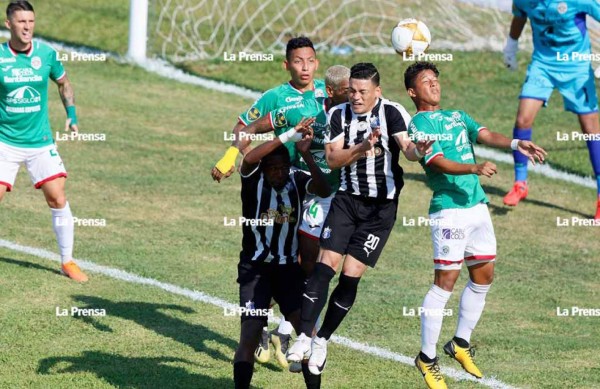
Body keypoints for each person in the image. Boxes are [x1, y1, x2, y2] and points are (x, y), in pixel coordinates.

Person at [404, 61, 546, 389]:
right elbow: (436, 162)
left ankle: (460, 344)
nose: (434, 85)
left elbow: (483, 134)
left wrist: (515, 144)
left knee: (483, 277)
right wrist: (473, 168)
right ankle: (426, 359)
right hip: (449, 212)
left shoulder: (456, 115)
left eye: (436, 80)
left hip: (477, 208)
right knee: (445, 283)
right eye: (427, 82)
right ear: (413, 92)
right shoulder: (419, 124)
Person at [286, 63, 433, 376]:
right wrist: (363, 147)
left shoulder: (392, 113)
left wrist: (418, 151)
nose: (355, 96)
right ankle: (303, 336)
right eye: (352, 90)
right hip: (347, 201)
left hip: (381, 210)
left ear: (376, 91)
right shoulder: (338, 115)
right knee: (325, 265)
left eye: (362, 92)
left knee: (351, 275)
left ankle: (322, 339)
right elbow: (333, 158)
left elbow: (407, 149)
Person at [230, 65, 349, 372]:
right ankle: (280, 332)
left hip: (343, 195)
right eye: (351, 91)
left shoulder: (358, 114)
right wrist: (233, 152)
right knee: (305, 262)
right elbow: (250, 127)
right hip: (305, 192)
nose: (356, 97)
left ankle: (286, 332)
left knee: (319, 269)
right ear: (333, 92)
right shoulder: (304, 109)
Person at [233, 122, 331, 389]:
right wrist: (286, 136)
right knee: (250, 335)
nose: (278, 173)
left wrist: (307, 155)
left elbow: (323, 189)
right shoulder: (253, 180)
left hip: (289, 272)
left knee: (306, 336)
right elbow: (250, 157)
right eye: (273, 168)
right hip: (255, 270)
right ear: (264, 169)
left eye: (282, 168)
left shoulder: (296, 181)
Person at [0, 0, 87, 282]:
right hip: (5, 142)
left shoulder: (46, 54)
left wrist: (71, 115)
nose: (27, 27)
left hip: (40, 142)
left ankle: (67, 261)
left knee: (57, 196)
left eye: (31, 21)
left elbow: (63, 82)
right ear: (8, 24)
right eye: (21, 22)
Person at [502, 0, 600, 219]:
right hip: (542, 65)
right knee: (522, 120)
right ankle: (520, 183)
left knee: (591, 129)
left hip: (577, 67)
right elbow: (520, 17)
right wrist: (511, 45)